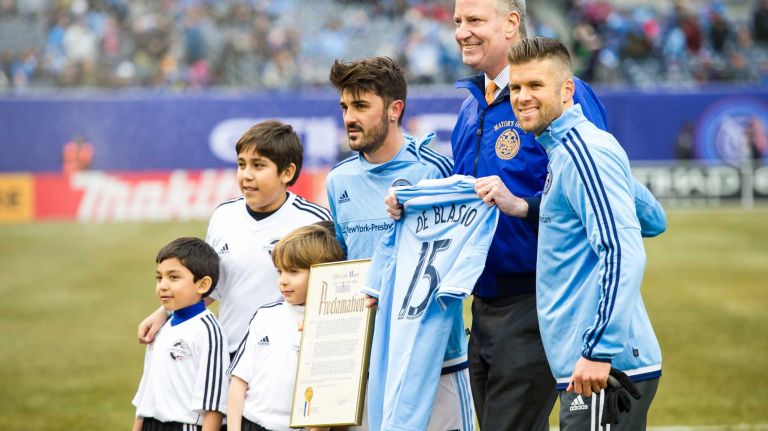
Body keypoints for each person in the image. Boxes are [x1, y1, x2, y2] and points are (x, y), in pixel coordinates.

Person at [505, 35, 662, 429]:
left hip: (602, 369)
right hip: (591, 366)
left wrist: (598, 349)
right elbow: (654, 218)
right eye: (516, 87)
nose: (522, 96)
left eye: (535, 85)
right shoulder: (574, 148)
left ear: (567, 89)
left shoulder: (581, 151)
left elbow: (621, 251)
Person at [325, 56, 472, 431]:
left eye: (360, 106)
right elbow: (342, 267)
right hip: (368, 360)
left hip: (436, 359)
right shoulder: (338, 181)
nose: (349, 118)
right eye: (344, 107)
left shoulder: (433, 171)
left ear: (395, 109)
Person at [138, 120, 331, 357]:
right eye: (241, 165)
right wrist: (164, 314)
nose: (246, 175)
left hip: (286, 356)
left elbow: (330, 292)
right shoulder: (223, 216)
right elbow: (211, 285)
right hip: (228, 353)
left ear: (287, 172)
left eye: (258, 166)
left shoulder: (314, 221)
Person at [227, 224, 342, 431]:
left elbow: (327, 401)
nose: (283, 281)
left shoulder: (333, 326)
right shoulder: (265, 315)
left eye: (293, 271)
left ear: (323, 271)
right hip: (250, 425)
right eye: (280, 271)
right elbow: (238, 381)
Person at [132, 237, 228, 431]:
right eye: (159, 277)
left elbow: (214, 407)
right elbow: (146, 397)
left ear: (202, 285)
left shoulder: (208, 331)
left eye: (173, 277)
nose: (163, 285)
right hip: (151, 424)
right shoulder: (162, 328)